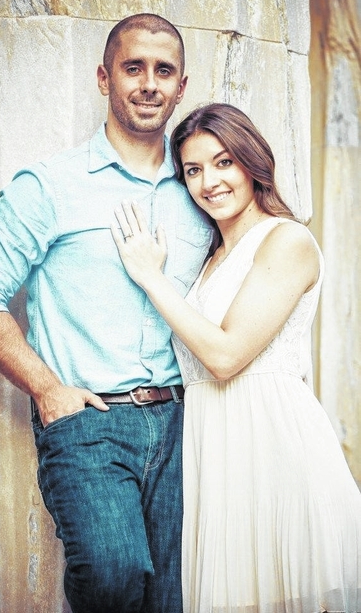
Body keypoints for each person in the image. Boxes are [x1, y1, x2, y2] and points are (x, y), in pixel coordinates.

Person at [0, 14, 214, 613]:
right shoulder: (49, 185)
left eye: (164, 71)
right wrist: (47, 389)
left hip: (183, 425)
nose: (148, 84)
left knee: (170, 599)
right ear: (103, 78)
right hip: (90, 422)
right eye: (133, 68)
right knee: (112, 577)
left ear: (181, 87)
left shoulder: (200, 191)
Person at [111, 102, 361, 612]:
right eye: (193, 170)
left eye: (224, 162)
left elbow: (225, 357)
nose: (209, 182)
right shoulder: (211, 260)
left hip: (275, 450)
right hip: (217, 456)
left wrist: (152, 277)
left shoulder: (287, 239)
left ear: (252, 161)